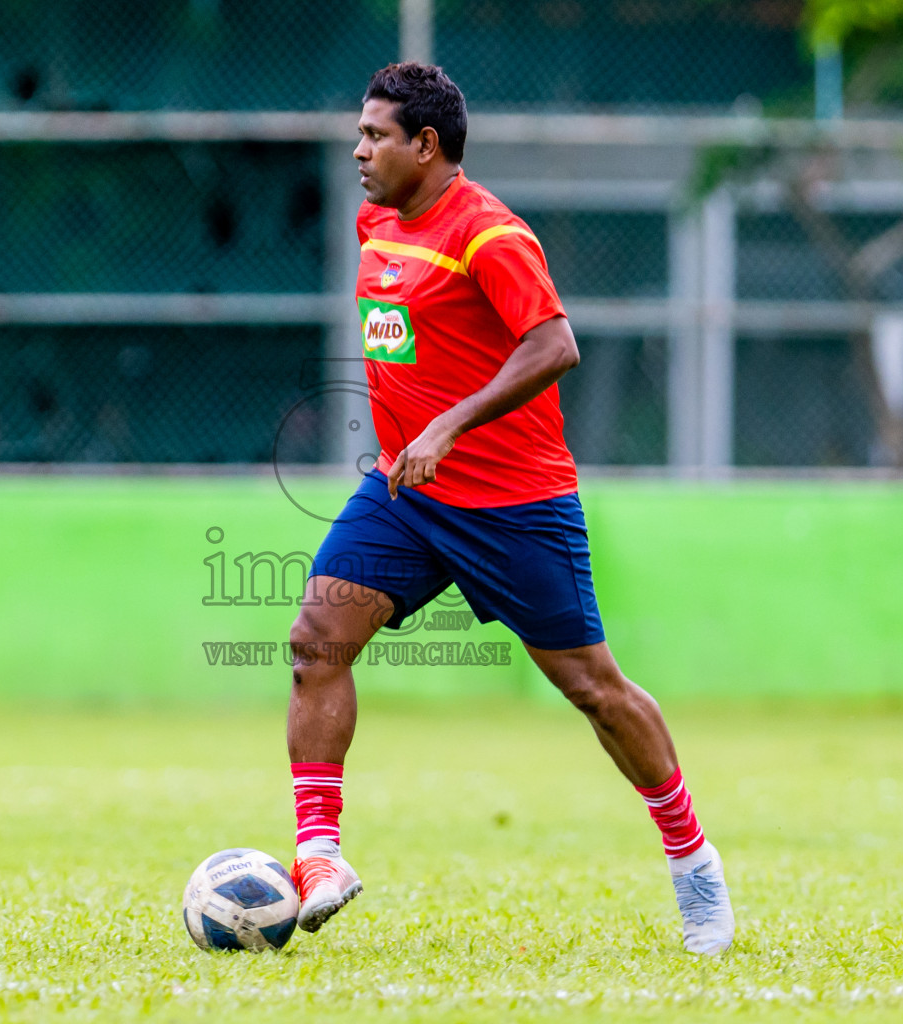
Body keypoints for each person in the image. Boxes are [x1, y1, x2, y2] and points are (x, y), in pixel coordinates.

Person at [285, 62, 735, 956]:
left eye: (375, 135)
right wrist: (415, 438)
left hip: (514, 502)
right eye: (359, 132)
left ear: (428, 145)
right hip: (406, 493)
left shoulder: (491, 235)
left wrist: (448, 423)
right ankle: (319, 859)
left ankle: (694, 864)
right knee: (315, 641)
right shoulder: (377, 221)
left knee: (595, 693)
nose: (358, 149)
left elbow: (554, 343)